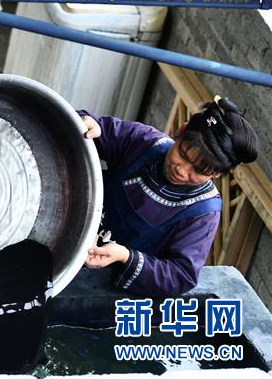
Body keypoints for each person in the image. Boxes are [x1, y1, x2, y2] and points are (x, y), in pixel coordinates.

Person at [81, 96, 259, 296]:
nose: (182, 171)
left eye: (199, 170)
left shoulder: (203, 212)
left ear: (216, 174)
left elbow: (180, 275)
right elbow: (88, 124)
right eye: (183, 154)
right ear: (181, 131)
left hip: (99, 287)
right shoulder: (144, 142)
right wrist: (88, 125)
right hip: (70, 228)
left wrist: (126, 257)